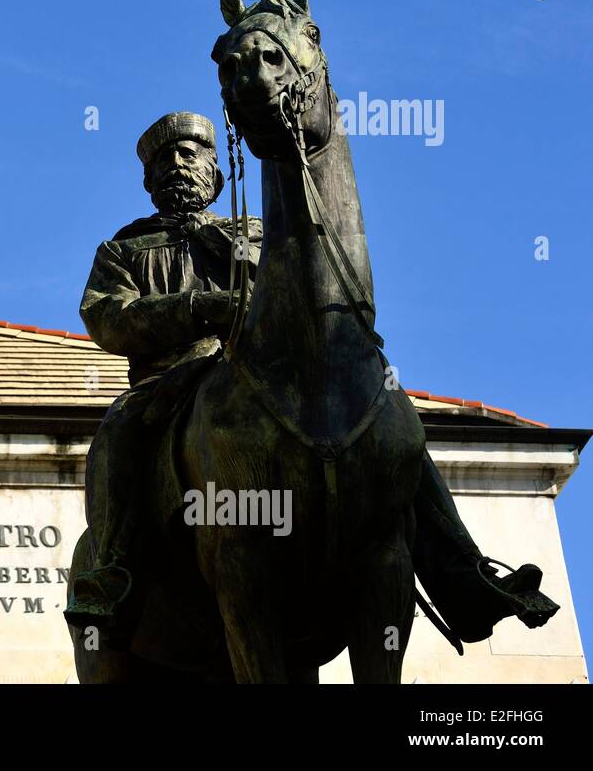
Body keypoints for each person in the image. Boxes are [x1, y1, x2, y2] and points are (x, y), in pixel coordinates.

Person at [64, 111, 558, 649]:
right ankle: (109, 568)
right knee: (117, 430)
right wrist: (197, 307)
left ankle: (464, 574)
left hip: (261, 370)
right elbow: (108, 317)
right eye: (165, 160)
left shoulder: (255, 234)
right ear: (148, 180)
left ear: (215, 170)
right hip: (172, 379)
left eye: (190, 154)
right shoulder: (125, 249)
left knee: (394, 433)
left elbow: (299, 289)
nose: (178, 166)